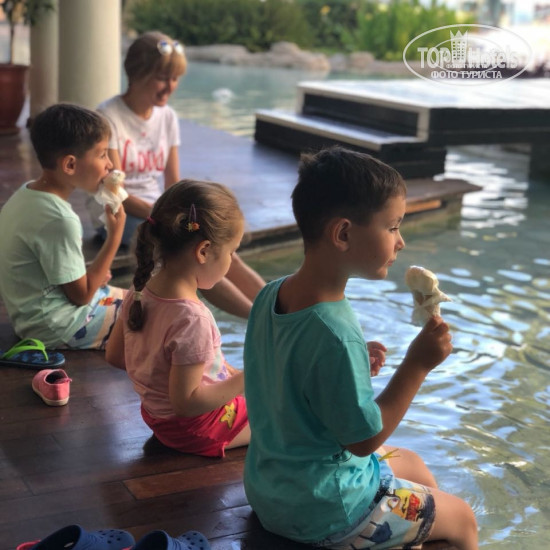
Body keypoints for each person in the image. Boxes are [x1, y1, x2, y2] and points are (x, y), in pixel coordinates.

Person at [243, 146, 478, 549]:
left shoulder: (270, 294)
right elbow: (364, 441)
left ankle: (409, 537)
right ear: (344, 234)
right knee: (463, 519)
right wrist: (417, 365)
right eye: (393, 227)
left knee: (415, 466)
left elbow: (290, 373)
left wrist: (350, 363)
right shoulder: (335, 333)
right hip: (329, 508)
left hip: (272, 489)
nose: (401, 241)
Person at [92, 30, 264, 319]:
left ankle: (277, 310)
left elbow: (174, 182)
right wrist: (163, 214)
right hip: (119, 214)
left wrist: (191, 210)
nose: (170, 86)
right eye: (162, 78)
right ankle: (259, 319)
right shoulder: (109, 116)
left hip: (160, 209)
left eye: (175, 78)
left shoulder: (167, 117)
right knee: (194, 253)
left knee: (218, 243)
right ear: (136, 74)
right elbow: (114, 191)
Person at [105, 180, 250, 457]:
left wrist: (158, 378)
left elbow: (115, 356)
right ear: (203, 251)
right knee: (287, 416)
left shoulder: (141, 289)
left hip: (158, 418)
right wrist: (250, 375)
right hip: (196, 428)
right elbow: (186, 404)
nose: (232, 261)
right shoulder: (193, 318)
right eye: (231, 252)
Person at [0, 103, 126, 350]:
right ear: (70, 165)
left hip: (29, 317)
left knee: (137, 298)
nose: (110, 164)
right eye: (102, 154)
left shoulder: (25, 194)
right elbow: (82, 296)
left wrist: (94, 276)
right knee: (149, 313)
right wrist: (115, 236)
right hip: (58, 326)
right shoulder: (60, 219)